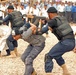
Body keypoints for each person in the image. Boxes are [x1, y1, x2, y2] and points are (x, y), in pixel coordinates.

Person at [38, 7, 75, 75]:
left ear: (50, 14)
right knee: (57, 55)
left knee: (48, 56)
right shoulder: (63, 18)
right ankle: (65, 71)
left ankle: (48, 73)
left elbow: (41, 31)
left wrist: (33, 30)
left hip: (65, 42)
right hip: (72, 42)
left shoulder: (53, 21)